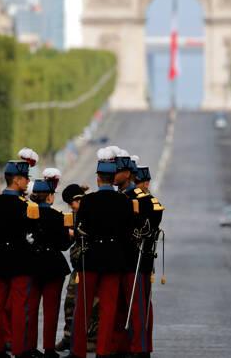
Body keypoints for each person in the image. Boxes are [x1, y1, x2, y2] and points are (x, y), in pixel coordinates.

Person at [64, 147, 132, 358]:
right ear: (113, 178)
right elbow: (128, 231)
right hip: (113, 258)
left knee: (82, 307)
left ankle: (78, 350)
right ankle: (103, 350)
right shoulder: (125, 202)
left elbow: (82, 228)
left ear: (98, 178)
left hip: (91, 257)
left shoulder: (89, 201)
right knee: (108, 308)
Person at [0, 148, 42, 358]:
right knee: (20, 306)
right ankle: (19, 349)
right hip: (20, 259)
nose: (28, 182)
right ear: (17, 179)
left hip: (0, 257)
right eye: (26, 178)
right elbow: (35, 232)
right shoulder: (26, 206)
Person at [28, 169, 72, 358]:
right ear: (49, 197)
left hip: (31, 265)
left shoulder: (27, 216)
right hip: (53, 265)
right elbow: (63, 245)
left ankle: (29, 347)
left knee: (30, 309)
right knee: (51, 310)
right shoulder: (57, 217)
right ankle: (48, 348)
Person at [121, 164, 164, 357]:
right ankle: (142, 344)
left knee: (137, 304)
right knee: (142, 304)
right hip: (140, 257)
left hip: (135, 257)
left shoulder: (138, 199)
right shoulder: (147, 199)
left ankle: (139, 346)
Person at [56, 184, 99, 354]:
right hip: (77, 266)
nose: (71, 207)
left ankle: (91, 339)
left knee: (94, 304)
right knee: (70, 302)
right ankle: (69, 337)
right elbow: (66, 244)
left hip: (91, 263)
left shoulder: (92, 210)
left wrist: (77, 233)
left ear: (79, 199)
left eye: (72, 202)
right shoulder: (73, 215)